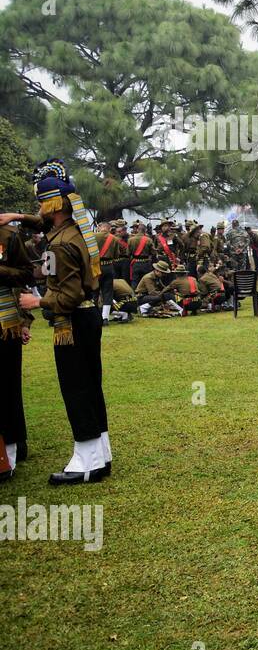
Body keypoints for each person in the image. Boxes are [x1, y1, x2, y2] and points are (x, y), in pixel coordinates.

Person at [21, 160, 111, 484]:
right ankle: (100, 455)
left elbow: (67, 295)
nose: (39, 211)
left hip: (71, 323)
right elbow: (40, 225)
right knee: (91, 386)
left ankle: (85, 461)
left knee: (76, 389)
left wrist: (37, 301)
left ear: (53, 205)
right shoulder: (75, 231)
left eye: (42, 204)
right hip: (88, 317)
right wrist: (17, 217)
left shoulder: (59, 243)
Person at [0, 213, 35, 478]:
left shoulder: (9, 235)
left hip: (4, 322)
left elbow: (26, 275)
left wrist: (25, 321)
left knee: (7, 387)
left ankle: (8, 455)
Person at [127, 220, 156, 288]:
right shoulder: (149, 240)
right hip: (146, 263)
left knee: (135, 281)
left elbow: (128, 253)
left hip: (135, 263)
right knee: (146, 280)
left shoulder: (130, 240)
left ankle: (134, 296)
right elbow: (153, 252)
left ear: (137, 230)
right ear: (145, 230)